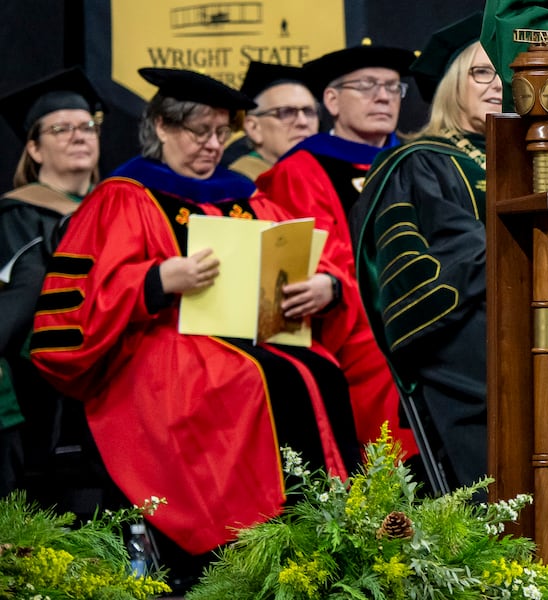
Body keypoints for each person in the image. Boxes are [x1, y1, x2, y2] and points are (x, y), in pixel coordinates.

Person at [28, 68, 361, 574]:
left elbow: (318, 256)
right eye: (199, 131)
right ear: (162, 126)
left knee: (318, 370)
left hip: (258, 336)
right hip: (159, 347)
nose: (212, 146)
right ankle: (250, 549)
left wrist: (325, 286)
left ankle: (329, 539)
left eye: (220, 133)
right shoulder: (126, 195)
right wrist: (157, 281)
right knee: (250, 380)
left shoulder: (245, 195)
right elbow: (76, 305)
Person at [351, 13, 497, 489]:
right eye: (482, 72)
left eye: (507, 72)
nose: (499, 84)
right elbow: (445, 263)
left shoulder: (539, 156)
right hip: (463, 342)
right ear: (453, 84)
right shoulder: (418, 164)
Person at [257, 42, 417, 457]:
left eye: (392, 87)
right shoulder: (302, 169)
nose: (382, 96)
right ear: (331, 100)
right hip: (351, 316)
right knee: (389, 346)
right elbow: (321, 257)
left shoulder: (418, 161)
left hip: (424, 303)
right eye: (366, 86)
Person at [0, 68, 104, 496]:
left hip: (106, 374)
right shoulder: (13, 218)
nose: (78, 136)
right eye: (61, 129)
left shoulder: (119, 209)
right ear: (34, 148)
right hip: (35, 387)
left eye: (87, 126)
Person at [223, 61, 320, 181]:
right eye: (286, 112)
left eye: (308, 111)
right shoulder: (238, 187)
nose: (303, 122)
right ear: (253, 128)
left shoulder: (331, 178)